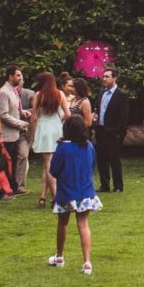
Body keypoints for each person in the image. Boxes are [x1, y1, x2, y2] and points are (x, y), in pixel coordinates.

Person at [48, 115, 102, 275]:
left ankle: (59, 257)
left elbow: (54, 170)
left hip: (66, 192)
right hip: (85, 191)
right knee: (84, 224)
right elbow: (92, 166)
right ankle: (87, 262)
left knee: (62, 223)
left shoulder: (63, 148)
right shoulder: (89, 146)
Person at [29, 71, 66, 209]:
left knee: (48, 163)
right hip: (56, 129)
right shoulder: (60, 94)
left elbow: (33, 116)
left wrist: (32, 135)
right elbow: (67, 114)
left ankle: (55, 197)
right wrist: (57, 121)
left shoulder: (38, 95)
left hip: (43, 129)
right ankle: (47, 197)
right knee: (50, 163)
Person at [93, 69, 131, 193]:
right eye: (103, 76)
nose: (104, 79)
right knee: (101, 159)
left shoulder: (121, 95)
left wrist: (119, 133)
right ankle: (104, 184)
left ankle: (118, 186)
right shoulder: (101, 93)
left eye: (107, 77)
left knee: (114, 159)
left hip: (113, 132)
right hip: (101, 129)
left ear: (115, 78)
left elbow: (123, 116)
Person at [0, 68, 29, 196]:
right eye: (18, 75)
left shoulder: (14, 91)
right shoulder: (3, 92)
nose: (20, 78)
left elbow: (14, 109)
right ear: (10, 76)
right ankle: (3, 190)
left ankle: (12, 188)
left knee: (13, 163)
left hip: (14, 135)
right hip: (6, 135)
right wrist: (21, 123)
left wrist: (23, 113)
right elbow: (3, 115)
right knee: (4, 165)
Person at [15, 76, 37, 195]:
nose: (17, 85)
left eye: (20, 82)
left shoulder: (29, 94)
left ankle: (20, 186)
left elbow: (36, 109)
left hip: (24, 131)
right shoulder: (6, 94)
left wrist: (21, 112)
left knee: (23, 155)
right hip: (10, 130)